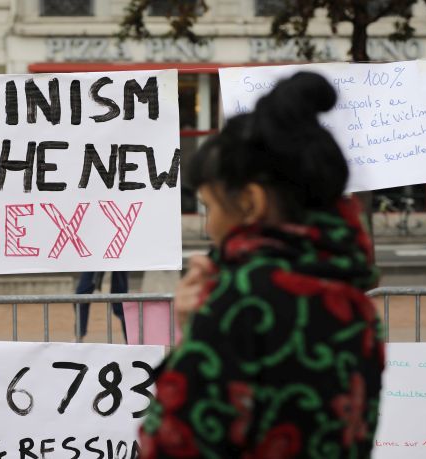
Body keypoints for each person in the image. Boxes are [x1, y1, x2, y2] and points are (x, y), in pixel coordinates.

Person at [140, 73, 384, 458]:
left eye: (212, 207)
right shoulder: (356, 303)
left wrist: (192, 335)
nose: (209, 226)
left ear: (250, 203)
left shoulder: (240, 300)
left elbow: (173, 442)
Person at [74, 271, 128, 342]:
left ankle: (130, 339)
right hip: (95, 261)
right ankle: (79, 335)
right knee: (81, 295)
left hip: (119, 262)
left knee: (121, 302)